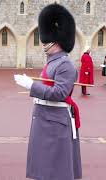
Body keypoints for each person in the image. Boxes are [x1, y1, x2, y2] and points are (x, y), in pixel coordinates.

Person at [14, 4, 82, 180]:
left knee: (56, 169)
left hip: (54, 121)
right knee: (45, 167)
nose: (43, 43)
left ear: (57, 41)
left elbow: (59, 93)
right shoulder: (52, 62)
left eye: (47, 40)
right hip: (45, 118)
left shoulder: (65, 64)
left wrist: (31, 86)